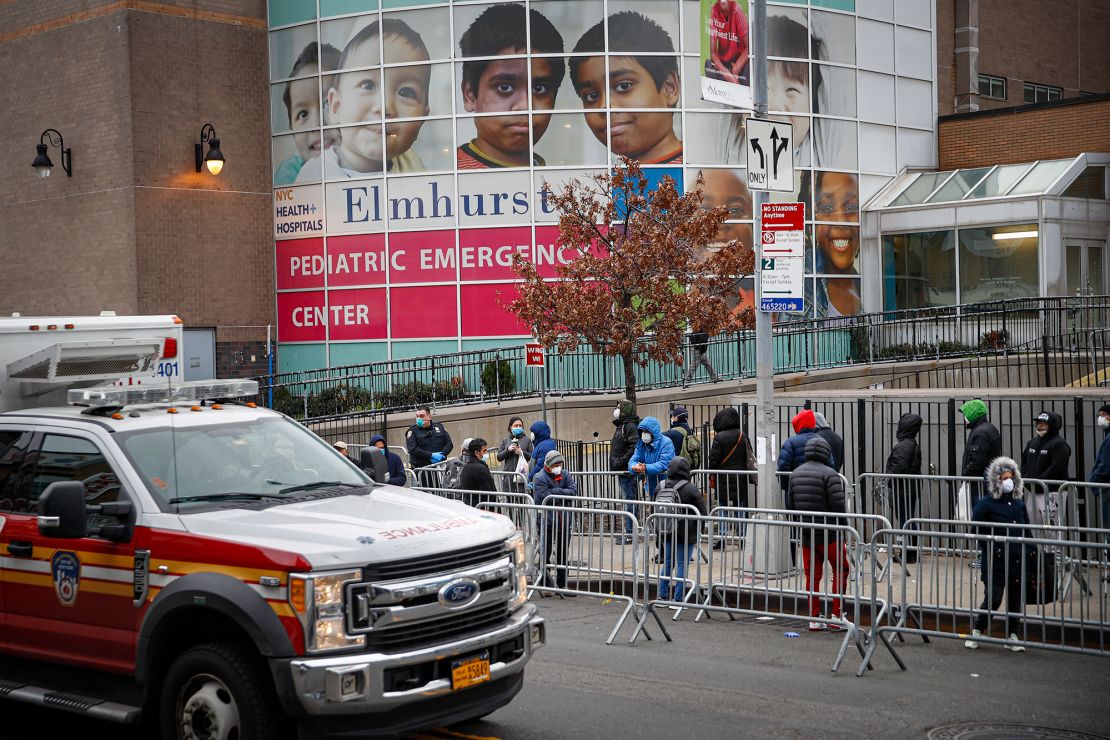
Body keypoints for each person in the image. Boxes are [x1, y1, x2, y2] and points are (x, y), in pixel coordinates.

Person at [296, 19, 430, 181]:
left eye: (406, 92)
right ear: (336, 106)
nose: (385, 106)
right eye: (368, 85)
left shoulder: (412, 165)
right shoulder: (315, 175)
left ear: (423, 116)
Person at [457, 4, 565, 168]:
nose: (525, 106)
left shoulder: (557, 182)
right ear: (470, 95)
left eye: (539, 89)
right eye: (505, 87)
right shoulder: (447, 180)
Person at [570, 12, 682, 164]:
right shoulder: (611, 181)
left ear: (669, 87)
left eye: (623, 86)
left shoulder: (702, 178)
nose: (605, 106)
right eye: (591, 96)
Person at [965, 457, 1030, 652]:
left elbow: (1027, 529)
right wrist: (992, 545)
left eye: (1010, 477)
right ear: (996, 481)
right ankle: (977, 630)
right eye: (1003, 478)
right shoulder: (986, 504)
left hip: (1017, 559)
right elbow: (979, 531)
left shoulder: (1018, 504)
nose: (1008, 481)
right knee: (993, 598)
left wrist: (1032, 550)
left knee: (1015, 600)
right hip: (995, 560)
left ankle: (1013, 634)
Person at [785, 437, 848, 631]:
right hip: (830, 534)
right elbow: (838, 505)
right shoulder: (830, 474)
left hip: (807, 535)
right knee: (841, 569)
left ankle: (814, 617)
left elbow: (790, 504)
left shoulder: (795, 474)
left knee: (812, 576)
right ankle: (837, 615)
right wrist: (844, 528)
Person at [275, 42, 341, 185]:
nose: (317, 124)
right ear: (292, 130)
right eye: (303, 114)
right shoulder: (289, 176)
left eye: (327, 104)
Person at [657, 457, 707, 603]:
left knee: (667, 562)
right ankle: (678, 599)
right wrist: (700, 530)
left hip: (666, 530)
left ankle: (662, 595)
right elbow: (702, 512)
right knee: (681, 564)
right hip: (686, 533)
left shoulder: (660, 486)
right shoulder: (691, 488)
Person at [811, 171, 861, 317]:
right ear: (812, 224)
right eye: (827, 208)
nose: (839, 221)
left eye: (851, 207)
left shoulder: (865, 286)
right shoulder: (800, 283)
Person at [707, 406, 753, 548]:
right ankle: (743, 537)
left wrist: (711, 472)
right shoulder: (742, 435)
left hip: (723, 479)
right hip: (741, 478)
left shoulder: (719, 438)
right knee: (740, 507)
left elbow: (713, 460)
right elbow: (749, 455)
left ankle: (721, 538)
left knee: (722, 507)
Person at [532, 450, 578, 591]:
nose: (559, 467)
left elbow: (573, 491)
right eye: (556, 464)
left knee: (563, 553)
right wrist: (561, 493)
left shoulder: (565, 474)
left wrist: (555, 491)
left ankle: (562, 584)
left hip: (564, 520)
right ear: (549, 464)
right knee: (545, 553)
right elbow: (545, 497)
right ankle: (545, 584)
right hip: (547, 521)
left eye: (560, 464)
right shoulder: (539, 477)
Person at [1019, 411, 1071, 526]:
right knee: (1034, 529)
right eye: (1038, 422)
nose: (1039, 425)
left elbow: (1056, 467)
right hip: (1032, 492)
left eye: (1044, 423)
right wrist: (1027, 481)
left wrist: (1039, 482)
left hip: (1052, 493)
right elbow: (1024, 463)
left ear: (1052, 425)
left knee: (1052, 530)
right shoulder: (1032, 442)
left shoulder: (1059, 444)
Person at [884, 413, 923, 563]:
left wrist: (889, 478)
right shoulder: (911, 443)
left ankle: (908, 553)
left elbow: (898, 467)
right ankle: (910, 552)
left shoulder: (903, 445)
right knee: (908, 519)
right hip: (908, 488)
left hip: (903, 489)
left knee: (905, 520)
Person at [960, 398, 1002, 507]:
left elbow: (977, 461)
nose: (964, 418)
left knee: (979, 516)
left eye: (966, 414)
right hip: (987, 481)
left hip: (980, 484)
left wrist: (966, 474)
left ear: (973, 413)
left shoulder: (980, 433)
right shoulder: (990, 428)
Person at [611, 400, 642, 543]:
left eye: (619, 408)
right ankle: (630, 531)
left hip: (626, 471)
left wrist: (621, 462)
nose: (616, 410)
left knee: (630, 501)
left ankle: (631, 533)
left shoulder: (630, 426)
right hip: (622, 470)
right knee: (628, 500)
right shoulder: (623, 426)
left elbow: (634, 448)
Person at [628, 416, 675, 499]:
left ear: (653, 432)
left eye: (646, 431)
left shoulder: (666, 443)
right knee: (654, 507)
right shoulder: (641, 444)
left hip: (667, 485)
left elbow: (664, 464)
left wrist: (645, 468)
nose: (643, 434)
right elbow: (633, 460)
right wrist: (635, 467)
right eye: (642, 431)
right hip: (651, 485)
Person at [406, 406, 453, 486]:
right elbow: (413, 449)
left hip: (440, 468)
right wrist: (431, 456)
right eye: (417, 416)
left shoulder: (439, 427)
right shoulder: (412, 431)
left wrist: (442, 455)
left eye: (421, 416)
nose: (418, 419)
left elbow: (449, 444)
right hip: (423, 470)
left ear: (429, 417)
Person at [704, 0, 749, 85]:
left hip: (740, 64)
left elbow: (749, 47)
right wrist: (729, 76)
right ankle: (733, 84)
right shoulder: (714, 11)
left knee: (750, 68)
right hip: (724, 66)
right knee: (708, 65)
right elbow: (713, 54)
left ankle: (733, 84)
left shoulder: (737, 11)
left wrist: (735, 69)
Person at [778, 409, 822, 491]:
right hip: (818, 487)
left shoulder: (790, 442)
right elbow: (830, 465)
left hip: (796, 487)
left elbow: (783, 466)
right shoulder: (822, 441)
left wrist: (787, 486)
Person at [1089, 404, 1110, 550]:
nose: (1101, 418)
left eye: (1104, 414)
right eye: (1099, 415)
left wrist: (1094, 481)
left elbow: (1105, 466)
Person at [495, 417, 533, 495]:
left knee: (521, 499)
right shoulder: (505, 440)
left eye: (520, 425)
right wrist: (508, 450)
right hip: (508, 475)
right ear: (510, 427)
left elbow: (531, 456)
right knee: (509, 499)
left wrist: (522, 452)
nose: (518, 427)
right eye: (516, 426)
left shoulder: (527, 440)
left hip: (521, 475)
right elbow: (499, 457)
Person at [458, 438, 497, 507]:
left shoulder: (466, 467)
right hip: (483, 509)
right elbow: (488, 494)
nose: (486, 453)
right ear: (476, 453)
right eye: (484, 451)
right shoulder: (480, 469)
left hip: (471, 507)